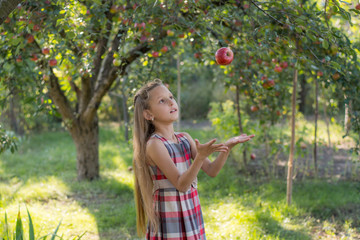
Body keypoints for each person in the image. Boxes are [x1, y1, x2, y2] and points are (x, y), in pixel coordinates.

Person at [132, 79, 254, 239]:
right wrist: (200, 156)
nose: (171, 102)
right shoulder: (155, 145)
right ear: (148, 114)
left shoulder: (185, 138)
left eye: (171, 97)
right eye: (162, 100)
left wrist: (227, 148)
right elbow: (181, 184)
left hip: (190, 210)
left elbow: (212, 170)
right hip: (170, 215)